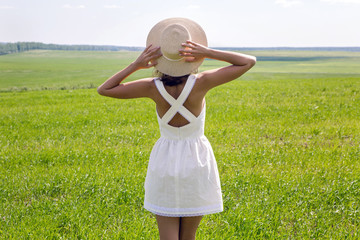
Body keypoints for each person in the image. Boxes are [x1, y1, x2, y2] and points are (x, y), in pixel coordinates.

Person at [97, 18, 256, 240]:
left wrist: (136, 64)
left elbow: (104, 89)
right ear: (190, 58)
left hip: (165, 161)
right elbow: (248, 62)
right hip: (196, 161)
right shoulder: (202, 82)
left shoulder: (152, 87)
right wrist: (207, 52)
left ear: (160, 59)